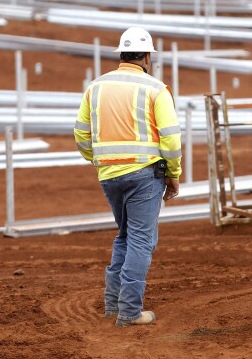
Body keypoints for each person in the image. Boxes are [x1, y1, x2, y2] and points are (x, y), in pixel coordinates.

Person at [74, 26, 181, 327]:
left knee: (125, 235)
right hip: (145, 175)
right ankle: (130, 311)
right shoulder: (156, 89)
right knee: (141, 240)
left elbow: (81, 134)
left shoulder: (95, 87)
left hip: (109, 175)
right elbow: (171, 139)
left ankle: (113, 304)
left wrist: (99, 160)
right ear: (147, 57)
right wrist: (173, 175)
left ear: (121, 54)